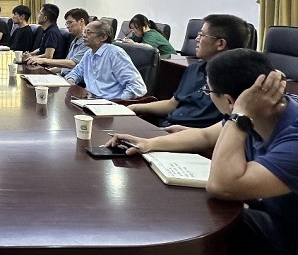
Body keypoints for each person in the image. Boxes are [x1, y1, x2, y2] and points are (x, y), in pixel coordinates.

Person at [106, 49, 297, 255]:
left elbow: (221, 186)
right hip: (278, 221)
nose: (208, 94)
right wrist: (149, 143)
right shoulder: (256, 115)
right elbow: (205, 136)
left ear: (230, 101)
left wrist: (239, 115)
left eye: (208, 91)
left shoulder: (286, 135)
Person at [128, 14, 250, 130]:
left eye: (201, 35)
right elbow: (172, 104)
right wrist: (134, 107)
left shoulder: (237, 81)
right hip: (168, 128)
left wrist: (186, 133)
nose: (196, 39)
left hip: (193, 138)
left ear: (220, 44)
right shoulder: (194, 68)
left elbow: (225, 128)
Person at [64, 20, 146, 100]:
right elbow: (76, 72)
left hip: (108, 102)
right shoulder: (89, 53)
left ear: (103, 37)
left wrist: (118, 103)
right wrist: (71, 81)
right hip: (89, 100)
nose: (84, 35)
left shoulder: (115, 54)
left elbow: (137, 87)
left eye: (88, 32)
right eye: (84, 32)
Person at [28, 7, 90, 76]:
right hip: (63, 75)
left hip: (73, 79)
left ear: (81, 21)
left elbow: (72, 64)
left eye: (70, 22)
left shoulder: (88, 42)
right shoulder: (74, 41)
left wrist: (44, 60)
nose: (67, 26)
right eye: (67, 23)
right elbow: (65, 67)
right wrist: (45, 72)